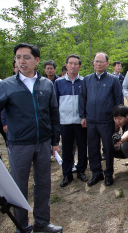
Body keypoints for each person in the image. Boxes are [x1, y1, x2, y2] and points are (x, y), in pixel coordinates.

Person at [0, 43, 62, 233]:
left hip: (44, 142)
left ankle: (42, 223)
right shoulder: (6, 85)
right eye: (18, 57)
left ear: (36, 60)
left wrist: (55, 141)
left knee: (43, 183)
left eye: (26, 57)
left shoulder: (47, 84)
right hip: (19, 144)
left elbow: (53, 113)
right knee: (19, 186)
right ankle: (22, 226)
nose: (21, 61)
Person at [79, 52, 123, 187]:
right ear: (93, 63)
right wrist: (83, 116)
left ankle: (109, 174)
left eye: (101, 61)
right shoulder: (87, 79)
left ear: (107, 64)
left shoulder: (113, 80)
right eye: (96, 61)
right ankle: (96, 173)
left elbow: (118, 100)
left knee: (108, 148)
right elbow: (82, 98)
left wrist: (117, 119)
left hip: (107, 121)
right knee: (92, 148)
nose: (98, 64)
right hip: (91, 120)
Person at [54, 54, 88, 187]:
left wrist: (84, 116)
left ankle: (81, 171)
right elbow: (55, 103)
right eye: (70, 63)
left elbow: (86, 100)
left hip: (81, 121)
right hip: (65, 122)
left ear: (79, 66)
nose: (73, 66)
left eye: (76, 64)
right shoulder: (58, 82)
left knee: (82, 148)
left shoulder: (84, 81)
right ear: (66, 65)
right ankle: (67, 174)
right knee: (67, 149)